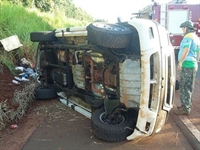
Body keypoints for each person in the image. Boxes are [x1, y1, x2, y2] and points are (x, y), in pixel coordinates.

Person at [174, 20, 200, 115]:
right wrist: (196, 62)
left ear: (186, 28)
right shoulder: (196, 37)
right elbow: (198, 52)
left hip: (187, 65)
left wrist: (180, 62)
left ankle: (186, 108)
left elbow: (186, 49)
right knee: (188, 86)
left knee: (184, 86)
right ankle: (185, 105)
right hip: (192, 64)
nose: (182, 30)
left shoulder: (188, 37)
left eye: (183, 28)